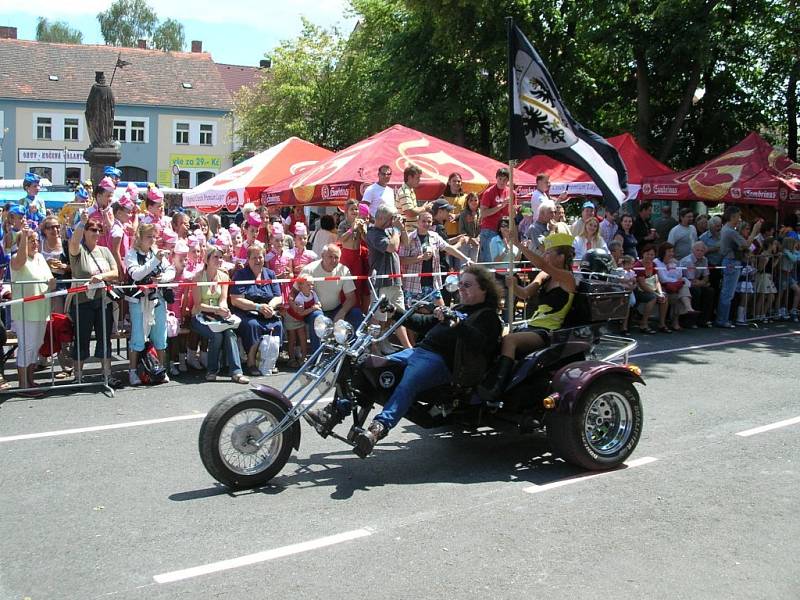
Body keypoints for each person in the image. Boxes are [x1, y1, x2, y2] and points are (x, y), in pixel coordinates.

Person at [308, 265, 503, 456]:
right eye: (460, 284)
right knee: (370, 368)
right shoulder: (459, 308)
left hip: (442, 362)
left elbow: (481, 343)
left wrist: (457, 323)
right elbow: (422, 323)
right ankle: (335, 411)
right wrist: (394, 311)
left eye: (467, 285)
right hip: (418, 352)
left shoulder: (488, 317)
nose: (460, 288)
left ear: (484, 289)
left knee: (408, 383)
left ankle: (378, 428)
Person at [483, 232, 577, 401]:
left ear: (561, 257)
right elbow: (525, 294)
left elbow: (541, 263)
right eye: (545, 252)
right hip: (533, 324)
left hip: (548, 331)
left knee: (510, 340)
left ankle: (497, 387)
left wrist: (518, 245)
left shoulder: (568, 278)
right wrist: (514, 285)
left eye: (549, 252)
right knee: (496, 333)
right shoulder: (545, 276)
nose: (545, 255)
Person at [68, 211, 120, 386]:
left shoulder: (105, 251)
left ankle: (107, 375)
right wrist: (82, 223)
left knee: (104, 338)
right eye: (92, 229)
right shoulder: (78, 250)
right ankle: (78, 377)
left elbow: (115, 272)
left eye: (99, 230)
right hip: (82, 302)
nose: (96, 233)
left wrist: (102, 276)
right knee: (81, 339)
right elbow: (74, 242)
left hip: (103, 301)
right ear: (85, 231)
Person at [124, 224, 175, 386]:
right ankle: (132, 372)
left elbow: (171, 271)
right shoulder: (131, 255)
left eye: (154, 236)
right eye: (149, 236)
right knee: (138, 336)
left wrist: (162, 279)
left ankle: (161, 370)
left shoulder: (156, 253)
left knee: (160, 335)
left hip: (158, 298)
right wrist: (155, 261)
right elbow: (137, 274)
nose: (153, 240)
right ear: (139, 237)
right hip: (138, 300)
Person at [190, 247, 249, 383]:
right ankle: (211, 370)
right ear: (207, 259)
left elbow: (223, 299)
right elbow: (198, 305)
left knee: (229, 332)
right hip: (200, 316)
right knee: (216, 335)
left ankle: (236, 372)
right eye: (215, 257)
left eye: (220, 257)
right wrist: (216, 310)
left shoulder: (223, 276)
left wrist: (224, 310)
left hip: (217, 316)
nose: (219, 260)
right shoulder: (198, 277)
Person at [10, 225, 54, 396]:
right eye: (30, 240)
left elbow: (49, 278)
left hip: (41, 309)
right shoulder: (17, 258)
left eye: (36, 240)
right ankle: (23, 385)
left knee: (35, 346)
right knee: (26, 347)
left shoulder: (40, 258)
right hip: (25, 312)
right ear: (21, 243)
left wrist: (51, 283)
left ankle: (29, 379)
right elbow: (19, 262)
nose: (35, 243)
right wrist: (23, 239)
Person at [229, 245, 284, 376]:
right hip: (247, 312)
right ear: (248, 259)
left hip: (267, 311)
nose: (258, 260)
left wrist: (270, 306)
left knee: (278, 324)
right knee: (253, 326)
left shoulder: (270, 274)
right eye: (254, 258)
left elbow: (278, 297)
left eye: (260, 257)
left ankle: (270, 361)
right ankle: (251, 362)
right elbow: (235, 300)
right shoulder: (241, 275)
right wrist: (258, 307)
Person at [400, 211, 471, 306]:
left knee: (442, 312)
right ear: (418, 222)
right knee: (411, 316)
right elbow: (401, 260)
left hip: (432, 284)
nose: (426, 224)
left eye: (429, 222)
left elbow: (448, 248)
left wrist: (466, 259)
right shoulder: (409, 238)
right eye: (423, 221)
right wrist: (421, 258)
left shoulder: (435, 236)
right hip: (413, 285)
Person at [367, 204, 411, 352]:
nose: (393, 221)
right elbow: (391, 247)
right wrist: (397, 230)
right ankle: (373, 347)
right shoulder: (373, 233)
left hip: (395, 280)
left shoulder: (391, 230)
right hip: (381, 281)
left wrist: (401, 228)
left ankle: (407, 348)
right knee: (378, 317)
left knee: (398, 315)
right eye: (391, 219)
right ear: (380, 218)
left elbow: (406, 242)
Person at [715, 207, 762, 328]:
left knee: (727, 292)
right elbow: (746, 244)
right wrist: (754, 231)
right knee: (728, 293)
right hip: (731, 262)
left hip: (731, 261)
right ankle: (722, 320)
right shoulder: (730, 231)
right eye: (738, 216)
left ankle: (723, 318)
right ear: (732, 216)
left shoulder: (728, 229)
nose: (739, 219)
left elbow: (741, 246)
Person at [299, 244, 364, 330]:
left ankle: (355, 343)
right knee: (317, 317)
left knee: (356, 313)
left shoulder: (343, 270)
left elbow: (351, 298)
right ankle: (317, 344)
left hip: (336, 309)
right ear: (322, 256)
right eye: (330, 256)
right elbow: (294, 290)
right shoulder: (309, 269)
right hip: (314, 310)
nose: (333, 260)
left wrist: (342, 313)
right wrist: (295, 306)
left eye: (336, 257)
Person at [654, 242, 697, 331]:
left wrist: (676, 266)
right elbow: (663, 279)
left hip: (673, 288)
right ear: (663, 252)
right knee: (681, 290)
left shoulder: (673, 263)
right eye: (669, 251)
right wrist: (677, 281)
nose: (671, 254)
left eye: (672, 251)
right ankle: (686, 309)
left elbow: (679, 276)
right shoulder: (657, 263)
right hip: (661, 288)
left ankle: (684, 312)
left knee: (681, 291)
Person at [338, 199, 370, 309]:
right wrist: (352, 229)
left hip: (357, 257)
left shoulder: (361, 223)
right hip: (346, 257)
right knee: (345, 284)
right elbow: (340, 239)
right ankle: (344, 308)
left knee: (358, 285)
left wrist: (362, 229)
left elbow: (366, 240)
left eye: (356, 209)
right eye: (352, 209)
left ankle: (357, 309)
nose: (355, 211)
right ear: (346, 211)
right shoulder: (343, 224)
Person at [632, 243, 669, 334]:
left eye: (652, 254)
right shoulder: (638, 265)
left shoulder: (654, 264)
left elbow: (657, 281)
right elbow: (642, 284)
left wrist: (660, 292)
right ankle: (643, 324)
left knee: (664, 296)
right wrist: (656, 294)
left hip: (651, 289)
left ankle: (662, 324)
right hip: (639, 290)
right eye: (647, 254)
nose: (649, 256)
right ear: (643, 254)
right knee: (652, 298)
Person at [39, 216, 70, 316]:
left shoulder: (66, 244)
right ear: (44, 230)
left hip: (61, 283)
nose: (55, 229)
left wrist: (64, 266)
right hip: (42, 284)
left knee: (57, 317)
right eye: (51, 227)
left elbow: (75, 266)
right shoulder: (39, 245)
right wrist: (46, 264)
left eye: (57, 226)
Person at [679, 241, 714, 327]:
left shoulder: (705, 259)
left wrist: (702, 282)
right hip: (685, 283)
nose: (699, 252)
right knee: (696, 291)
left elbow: (706, 277)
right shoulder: (688, 261)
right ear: (692, 250)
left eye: (702, 251)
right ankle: (691, 321)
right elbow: (691, 280)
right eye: (697, 250)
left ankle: (703, 320)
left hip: (698, 282)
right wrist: (703, 283)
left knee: (710, 291)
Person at [478, 168, 510, 263]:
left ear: (508, 180)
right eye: (500, 179)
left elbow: (511, 213)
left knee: (503, 260)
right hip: (489, 230)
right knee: (489, 261)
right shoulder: (488, 192)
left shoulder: (510, 192)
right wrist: (501, 206)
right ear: (496, 178)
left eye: (505, 180)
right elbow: (483, 213)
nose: (502, 182)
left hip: (504, 231)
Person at [395, 165, 431, 232]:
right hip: (407, 232)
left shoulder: (409, 190)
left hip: (410, 231)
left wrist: (423, 208)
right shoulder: (405, 192)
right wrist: (424, 208)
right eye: (417, 178)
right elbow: (410, 212)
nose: (419, 180)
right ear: (409, 177)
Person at [457, 192, 481, 263]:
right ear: (467, 202)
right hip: (466, 243)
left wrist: (478, 238)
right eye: (471, 200)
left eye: (475, 200)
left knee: (474, 263)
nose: (474, 202)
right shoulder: (463, 213)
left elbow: (483, 228)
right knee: (464, 264)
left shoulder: (481, 212)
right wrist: (471, 239)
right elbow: (461, 230)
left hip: (477, 243)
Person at [443, 172, 468, 237]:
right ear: (449, 182)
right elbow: (437, 214)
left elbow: (470, 212)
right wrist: (446, 216)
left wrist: (456, 216)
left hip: (462, 232)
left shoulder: (466, 197)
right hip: (445, 232)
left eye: (459, 181)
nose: (456, 183)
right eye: (454, 181)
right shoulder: (442, 198)